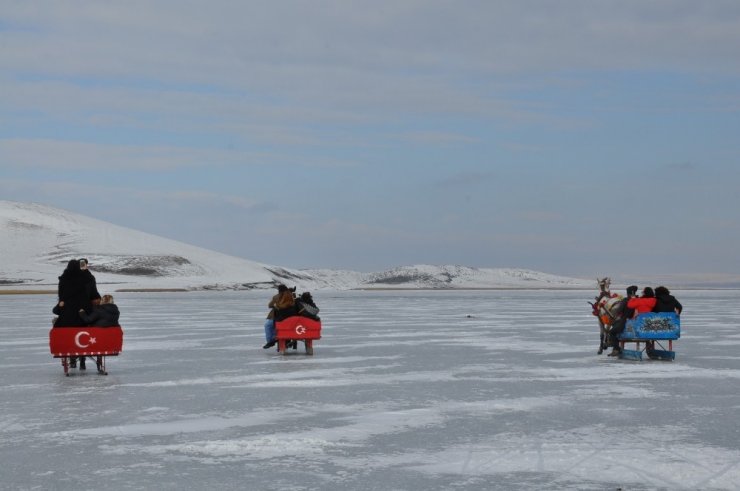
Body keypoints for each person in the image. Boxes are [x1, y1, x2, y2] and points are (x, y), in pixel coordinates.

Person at [54, 259, 95, 369]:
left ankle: (72, 359)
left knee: (69, 334)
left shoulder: (64, 279)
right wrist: (86, 270)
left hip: (68, 313)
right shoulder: (85, 277)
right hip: (83, 311)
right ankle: (82, 360)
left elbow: (61, 296)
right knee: (82, 333)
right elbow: (92, 289)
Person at [606, 285, 638, 356]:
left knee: (612, 332)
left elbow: (618, 310)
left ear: (628, 293)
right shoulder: (639, 299)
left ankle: (616, 349)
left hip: (626, 321)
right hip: (639, 323)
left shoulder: (625, 300)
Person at [262, 284, 297, 349]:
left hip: (278, 315)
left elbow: (270, 305)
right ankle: (286, 340)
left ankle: (271, 341)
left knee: (269, 325)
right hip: (292, 316)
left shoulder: (276, 297)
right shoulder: (292, 296)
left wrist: (276, 306)